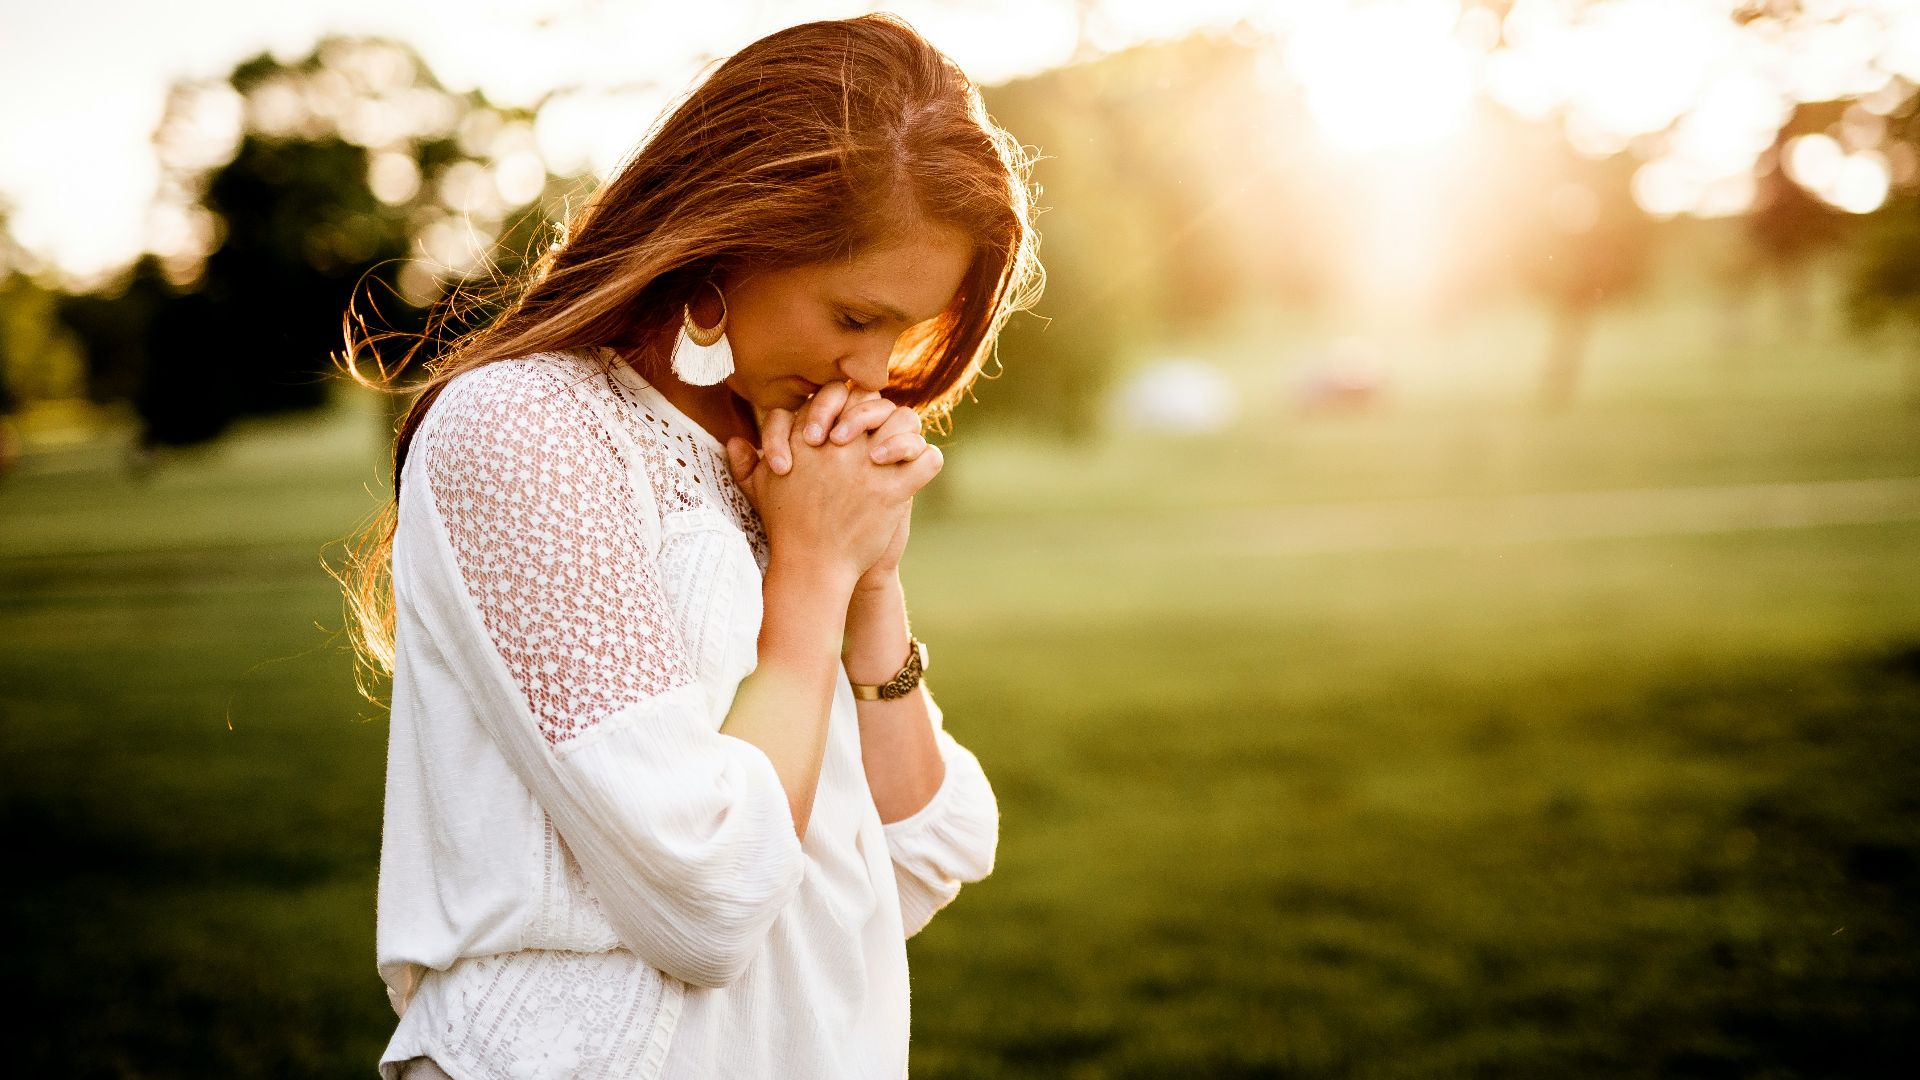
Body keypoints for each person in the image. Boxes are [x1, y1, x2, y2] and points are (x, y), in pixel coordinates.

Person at [332, 12, 1044, 1079]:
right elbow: (707, 893)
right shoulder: (527, 431)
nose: (874, 375)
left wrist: (868, 576)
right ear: (730, 241)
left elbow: (920, 853)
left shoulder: (780, 462)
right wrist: (808, 581)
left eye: (903, 336)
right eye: (854, 316)